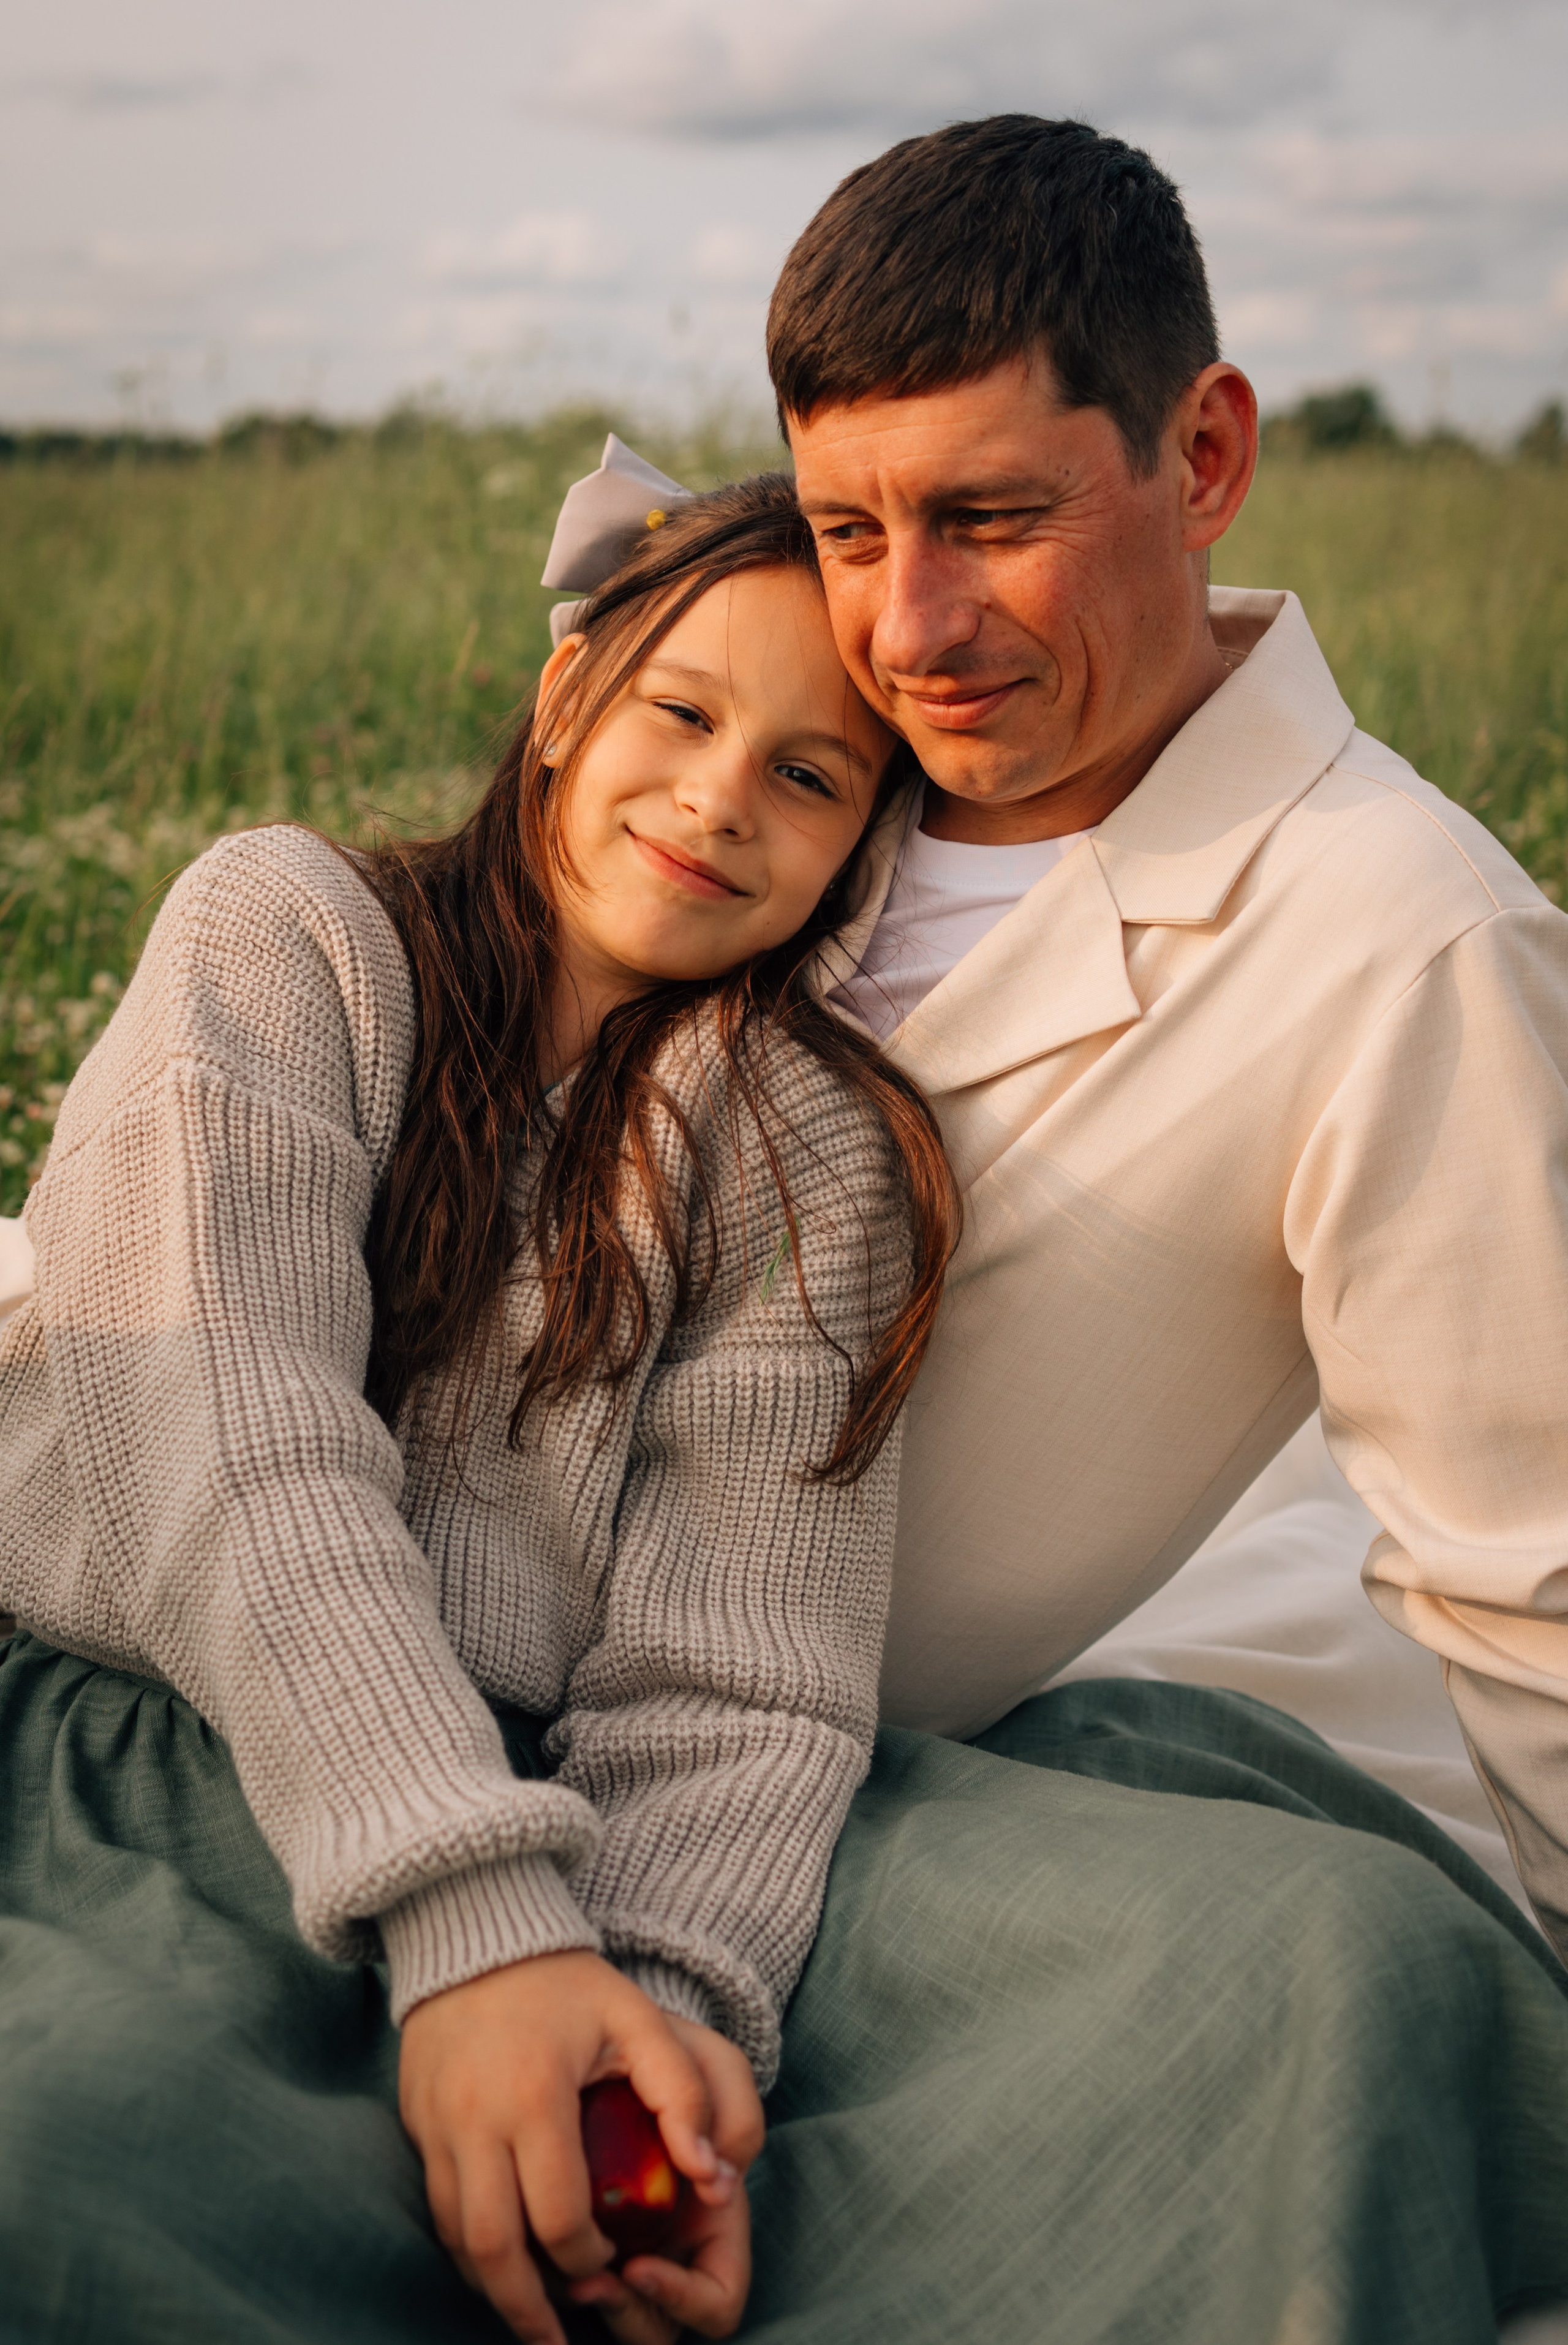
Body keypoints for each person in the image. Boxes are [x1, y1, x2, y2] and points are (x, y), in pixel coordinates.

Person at [704, 114, 1568, 2343]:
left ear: (1204, 453)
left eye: (996, 518)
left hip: (709, 1749)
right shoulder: (789, 740)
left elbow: (1536, 1576)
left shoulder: (1405, 941)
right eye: (848, 527)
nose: (913, 626)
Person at [0, 475, 959, 2345]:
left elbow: (742, 1665)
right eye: (682, 712)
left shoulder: (811, 1151)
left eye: (811, 775)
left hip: (537, 1834)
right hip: (121, 1740)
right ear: (565, 695)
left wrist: (651, 2030)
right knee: (67, 2147)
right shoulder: (285, 933)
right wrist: (476, 1925)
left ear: (862, 852)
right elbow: (230, 1433)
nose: (717, 798)